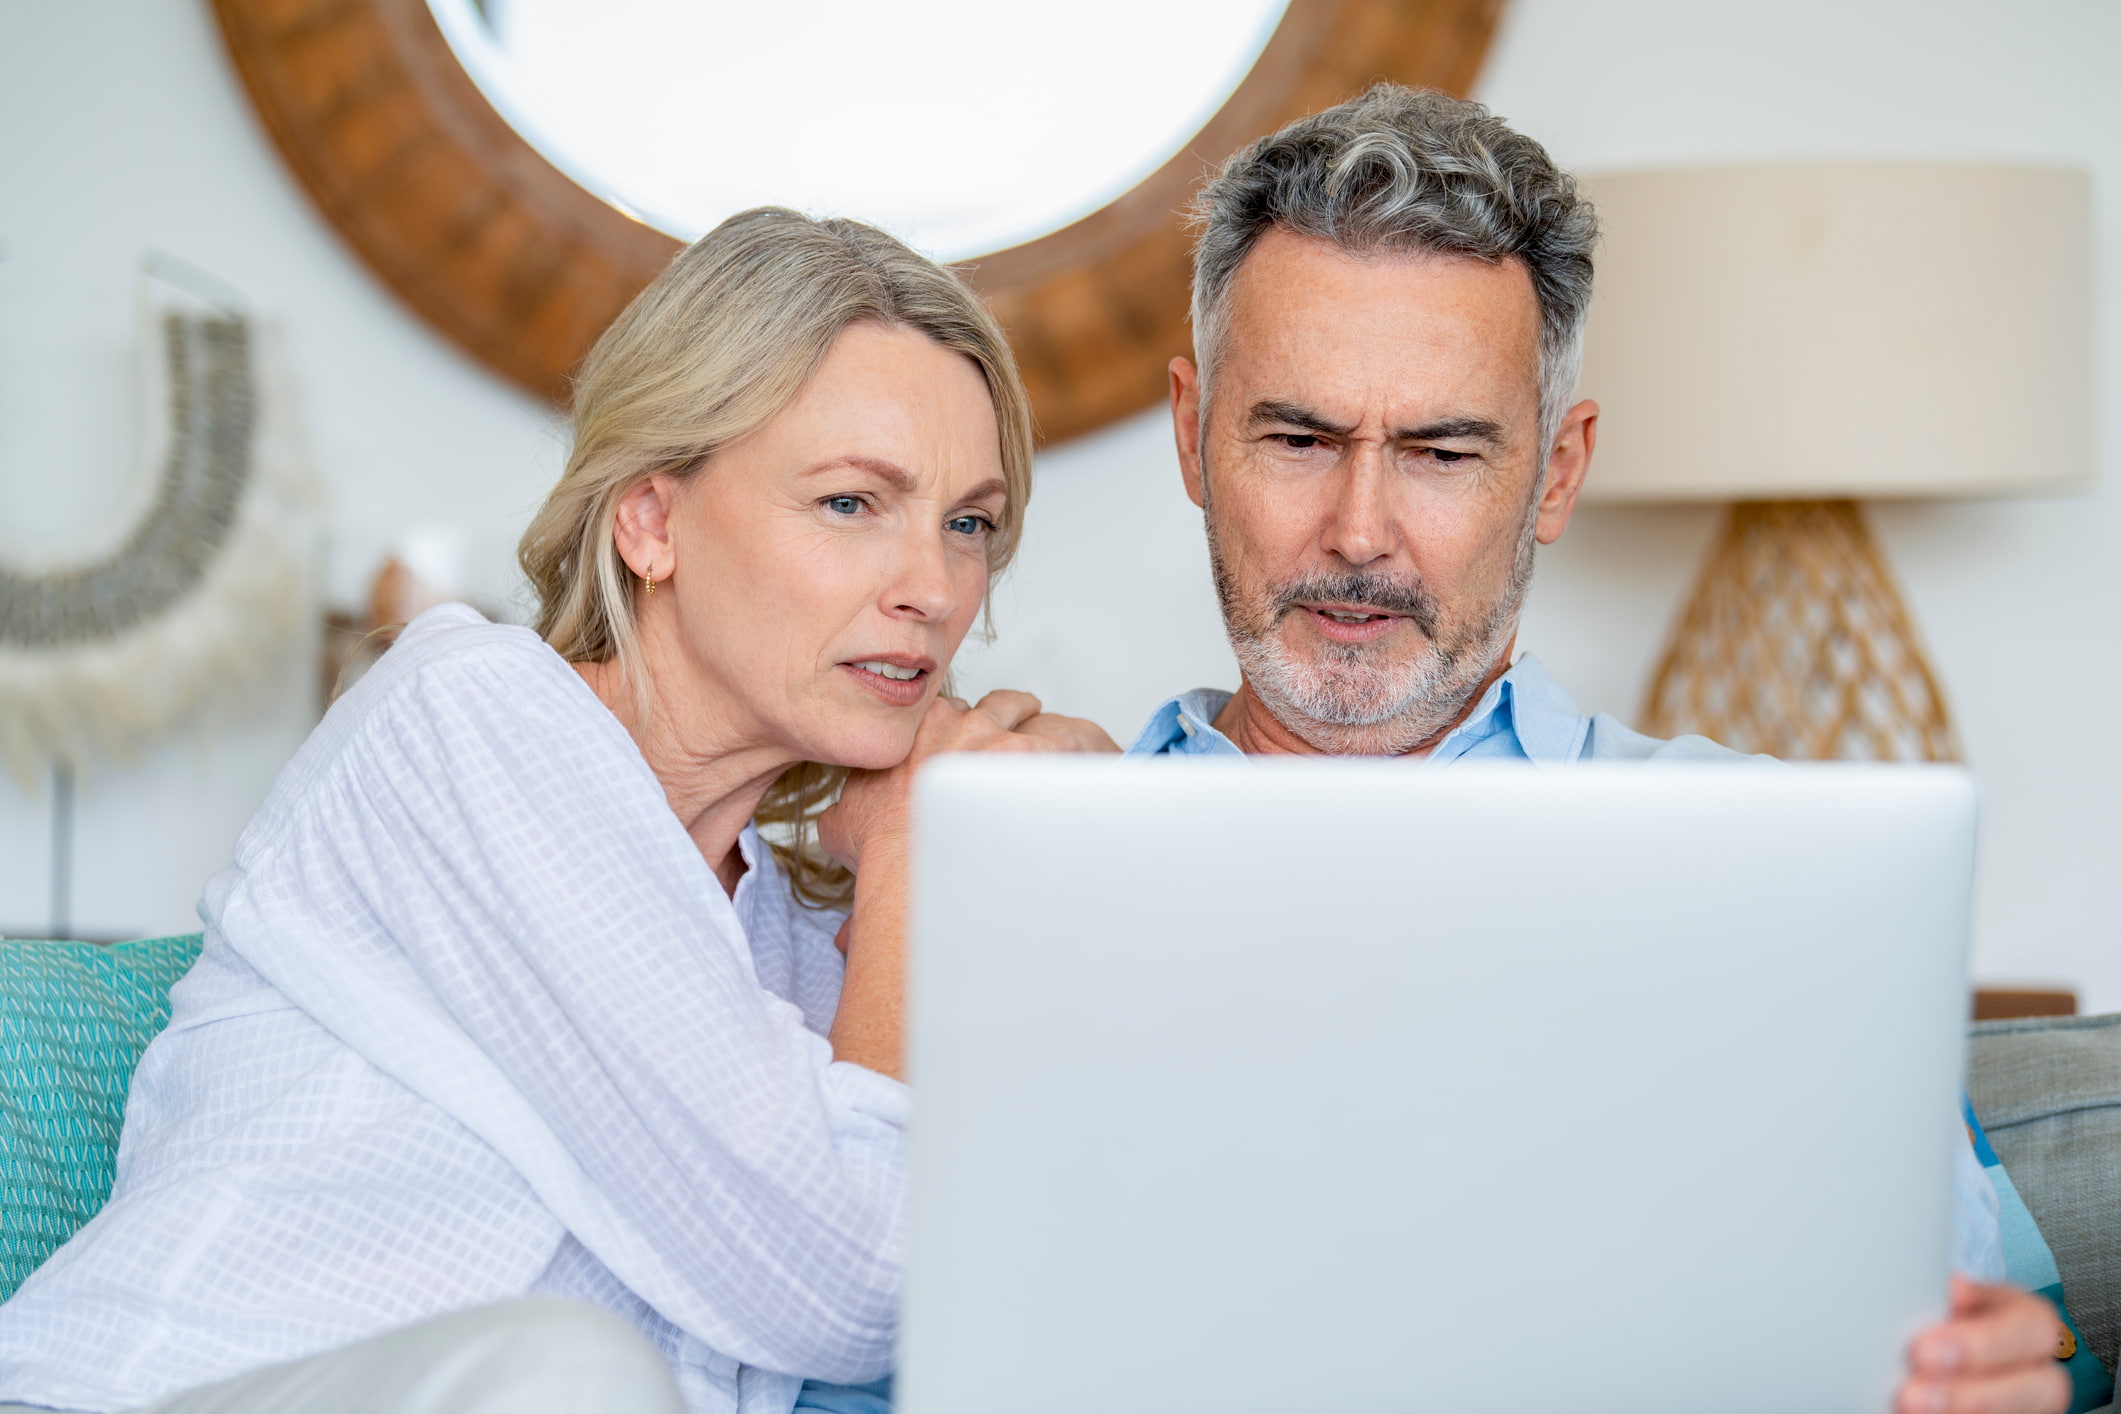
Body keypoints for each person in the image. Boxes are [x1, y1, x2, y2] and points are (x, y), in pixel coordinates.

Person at [0, 208, 1111, 1414]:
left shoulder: (810, 941)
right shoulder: (471, 722)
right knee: (571, 1376)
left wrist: (1077, 847)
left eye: (969, 523)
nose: (934, 588)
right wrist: (915, 855)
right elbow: (855, 1283)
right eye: (851, 502)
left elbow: (1013, 1274)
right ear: (651, 520)